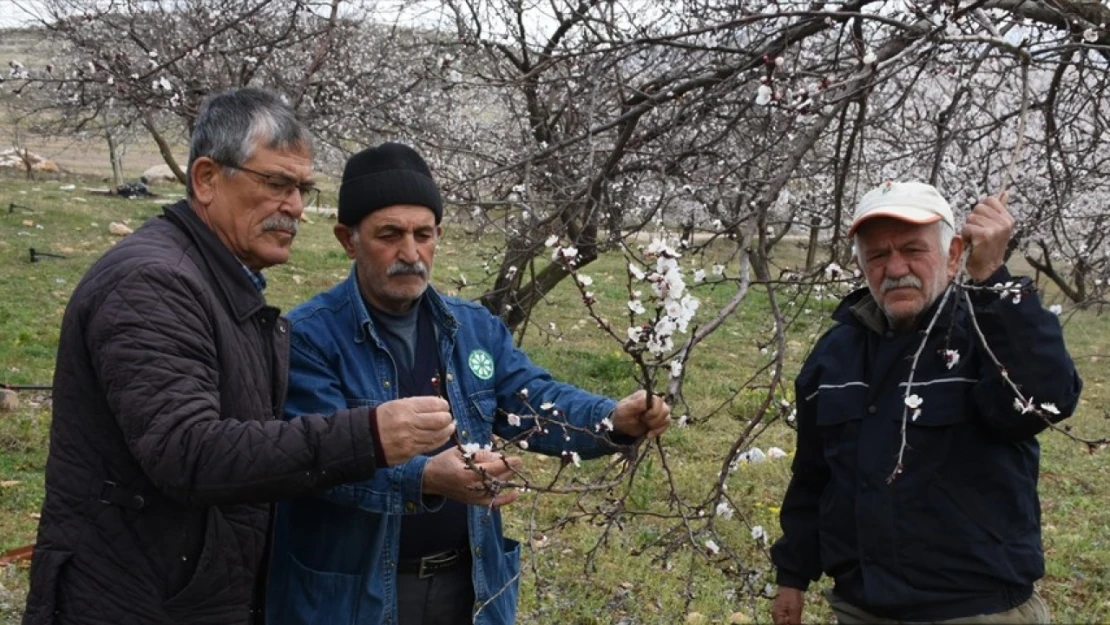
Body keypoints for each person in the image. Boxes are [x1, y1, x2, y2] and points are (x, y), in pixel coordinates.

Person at [22, 89, 455, 625]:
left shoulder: (222, 283)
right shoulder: (154, 284)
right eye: (275, 183)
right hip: (139, 600)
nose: (294, 206)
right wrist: (368, 436)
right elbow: (189, 452)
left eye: (301, 188)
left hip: (186, 591)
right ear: (206, 179)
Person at [266, 142, 672, 625]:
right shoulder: (309, 338)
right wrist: (424, 479)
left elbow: (531, 398)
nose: (410, 253)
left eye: (424, 234)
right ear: (347, 240)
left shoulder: (472, 327)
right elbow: (317, 459)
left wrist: (611, 419)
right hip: (353, 600)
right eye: (389, 235)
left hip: (468, 586)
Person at [769, 181, 1083, 625]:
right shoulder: (834, 355)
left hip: (978, 611)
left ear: (954, 254)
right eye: (877, 255)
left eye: (913, 250)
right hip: (863, 608)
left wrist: (994, 276)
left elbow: (1044, 399)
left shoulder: (987, 332)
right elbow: (814, 475)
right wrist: (793, 573)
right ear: (860, 265)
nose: (895, 268)